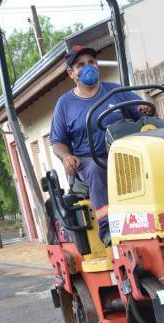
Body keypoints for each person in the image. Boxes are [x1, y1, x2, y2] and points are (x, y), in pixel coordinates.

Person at [50, 45, 146, 243]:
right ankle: (108, 229)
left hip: (126, 154)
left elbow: (140, 108)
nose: (88, 67)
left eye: (92, 62)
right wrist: (66, 156)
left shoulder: (116, 91)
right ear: (71, 73)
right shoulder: (65, 104)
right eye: (81, 65)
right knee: (96, 169)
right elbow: (58, 142)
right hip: (90, 160)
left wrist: (142, 108)